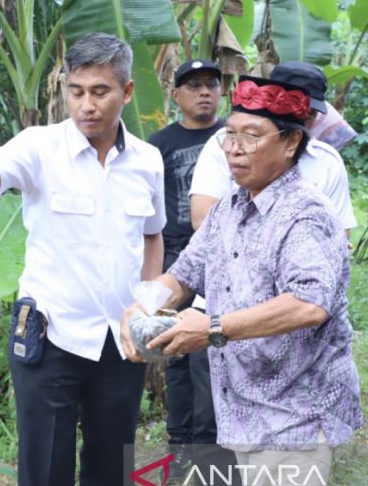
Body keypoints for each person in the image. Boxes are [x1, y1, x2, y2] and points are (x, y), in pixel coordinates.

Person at [0, 33, 166, 486]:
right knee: (44, 470)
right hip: (50, 337)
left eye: (100, 92)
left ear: (127, 91)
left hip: (120, 341)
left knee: (111, 467)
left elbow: (152, 235)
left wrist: (147, 308)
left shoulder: (148, 161)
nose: (87, 105)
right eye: (76, 91)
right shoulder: (40, 146)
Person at [121, 76, 363, 486]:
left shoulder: (306, 215)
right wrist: (142, 304)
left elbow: (309, 304)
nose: (234, 147)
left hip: (295, 415)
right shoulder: (228, 209)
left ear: (290, 144)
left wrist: (213, 328)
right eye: (229, 135)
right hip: (243, 407)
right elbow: (183, 275)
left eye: (252, 137)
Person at [147, 59, 226, 478]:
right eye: (193, 85)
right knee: (177, 352)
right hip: (177, 255)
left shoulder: (236, 136)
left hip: (226, 255)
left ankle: (213, 443)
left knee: (219, 347)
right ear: (175, 94)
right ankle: (180, 444)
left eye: (211, 84)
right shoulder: (159, 144)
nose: (204, 92)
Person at [189, 63, 356, 235]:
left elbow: (339, 233)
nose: (300, 117)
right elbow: (203, 221)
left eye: (309, 113)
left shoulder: (327, 160)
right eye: (290, 107)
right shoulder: (225, 144)